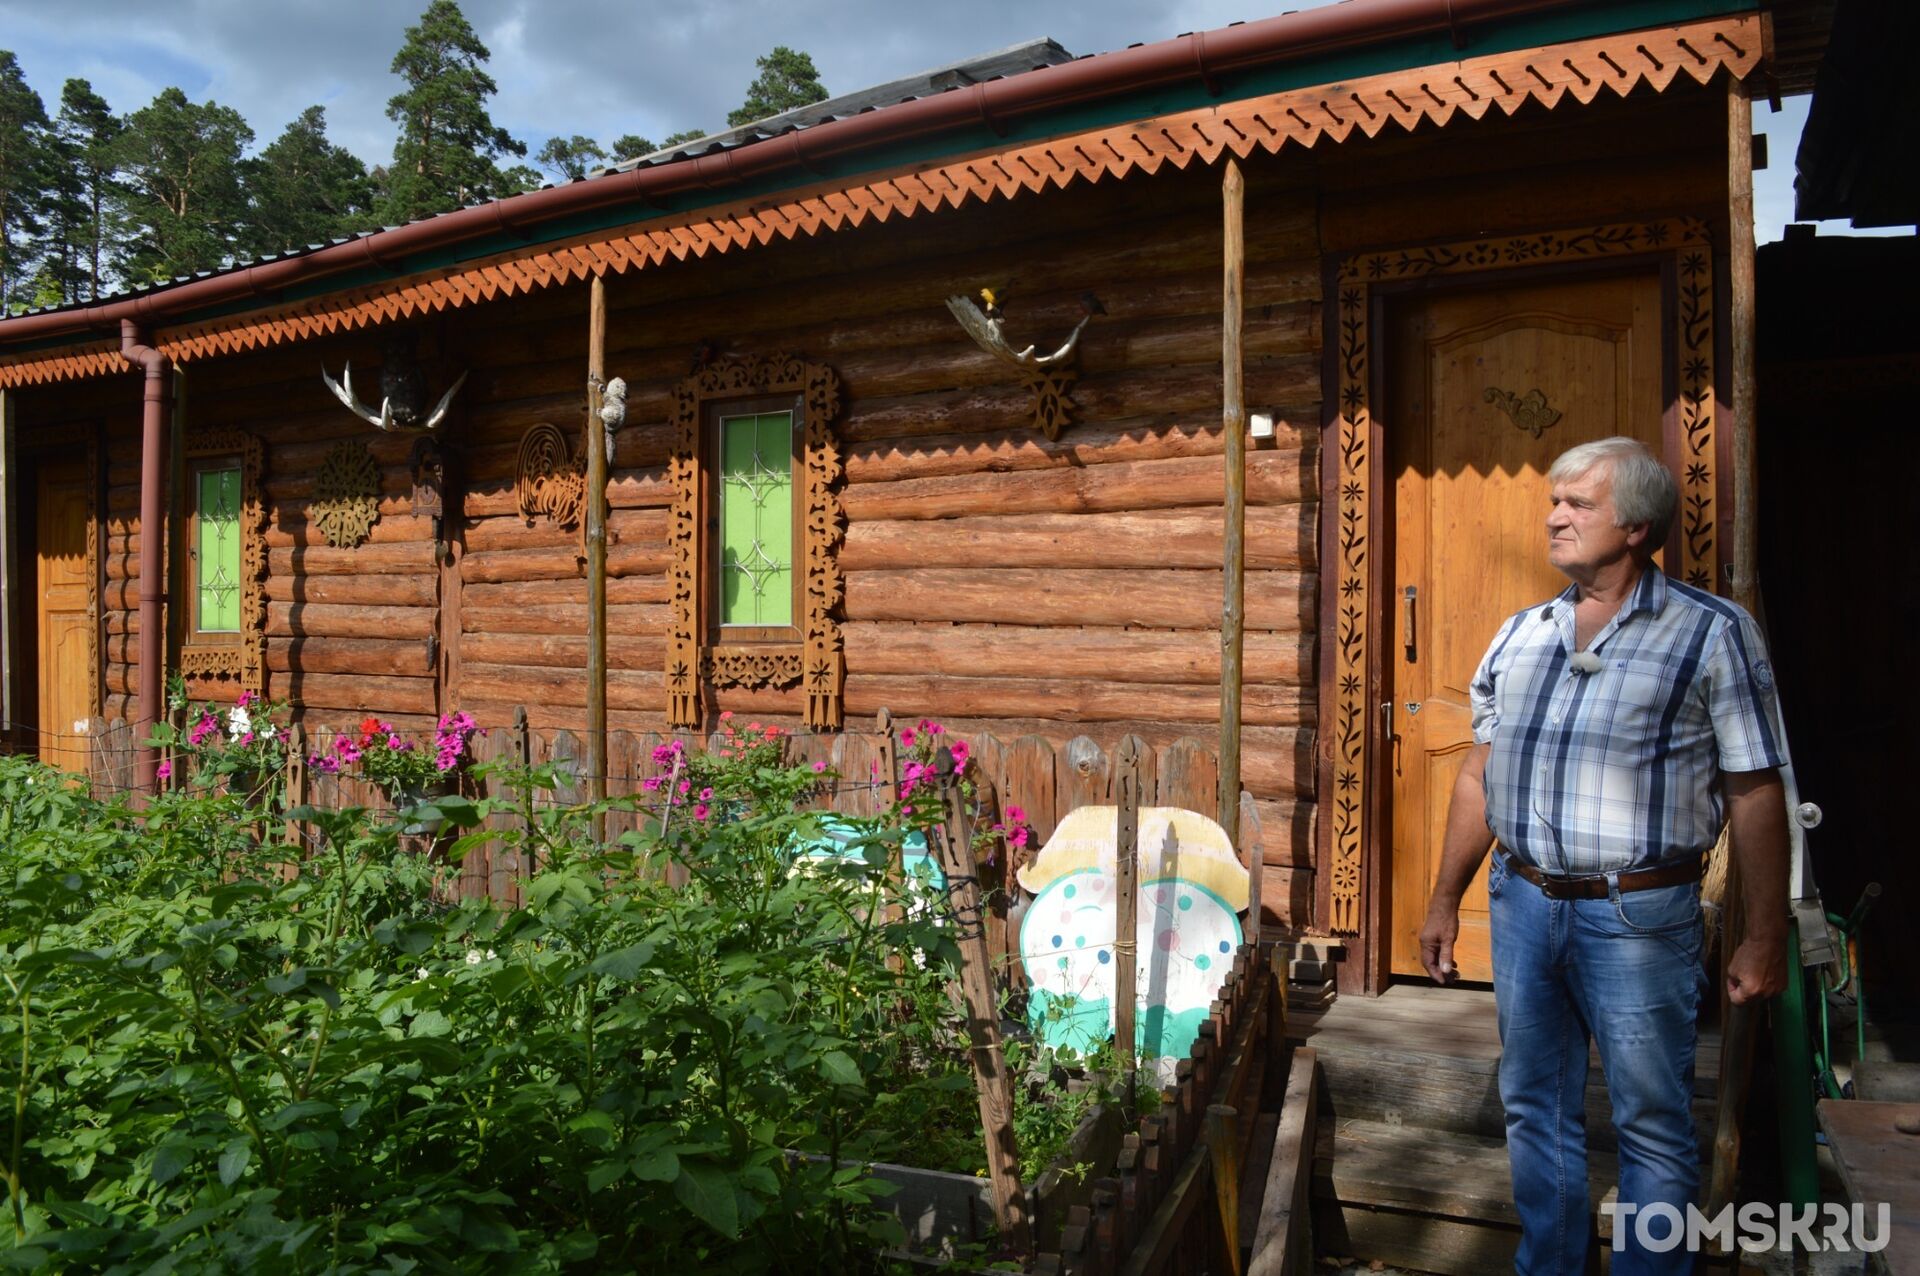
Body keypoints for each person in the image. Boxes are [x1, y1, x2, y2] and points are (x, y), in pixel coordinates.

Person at [1417, 437, 1790, 1275]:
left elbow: (1757, 791)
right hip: (1522, 904)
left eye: (1578, 504)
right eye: (1555, 501)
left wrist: (1764, 934)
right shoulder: (1521, 636)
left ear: (1636, 526)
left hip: (1639, 916)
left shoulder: (1712, 634)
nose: (1554, 516)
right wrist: (1447, 898)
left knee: (1653, 1125)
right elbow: (1480, 772)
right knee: (1533, 1106)